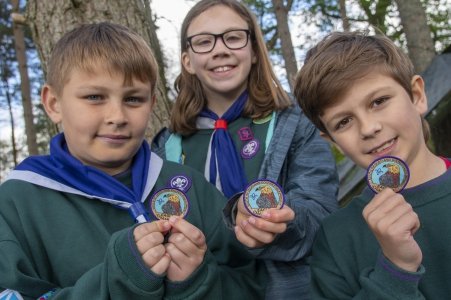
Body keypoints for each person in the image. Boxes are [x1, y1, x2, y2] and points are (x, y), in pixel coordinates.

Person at [0, 22, 267, 299]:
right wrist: (117, 283)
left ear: (152, 104)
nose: (117, 116)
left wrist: (197, 282)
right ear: (54, 103)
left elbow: (250, 284)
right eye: (94, 97)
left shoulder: (188, 185)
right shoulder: (17, 203)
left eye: (133, 99)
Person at [151, 0, 339, 298]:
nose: (220, 49)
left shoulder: (295, 125)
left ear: (253, 51)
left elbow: (321, 211)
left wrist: (281, 223)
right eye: (204, 41)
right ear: (187, 61)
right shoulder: (165, 148)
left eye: (234, 37)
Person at [294, 31, 451, 299]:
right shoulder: (335, 239)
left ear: (416, 96)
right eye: (343, 122)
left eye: (378, 101)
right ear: (333, 141)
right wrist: (396, 272)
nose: (368, 128)